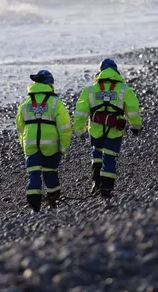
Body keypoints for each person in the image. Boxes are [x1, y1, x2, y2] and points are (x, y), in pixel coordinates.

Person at [73, 58, 143, 199]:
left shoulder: (90, 90)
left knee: (97, 154)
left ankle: (96, 184)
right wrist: (136, 126)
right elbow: (133, 111)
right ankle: (106, 189)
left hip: (96, 129)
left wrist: (80, 130)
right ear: (116, 72)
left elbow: (80, 112)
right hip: (114, 130)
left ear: (100, 72)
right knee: (109, 157)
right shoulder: (124, 90)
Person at [15, 69, 72, 212]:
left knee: (33, 174)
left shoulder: (25, 102)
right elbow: (64, 128)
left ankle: (34, 206)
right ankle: (53, 200)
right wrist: (64, 148)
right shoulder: (55, 102)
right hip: (51, 145)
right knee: (50, 172)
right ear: (49, 84)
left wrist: (24, 145)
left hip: (30, 144)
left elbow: (20, 127)